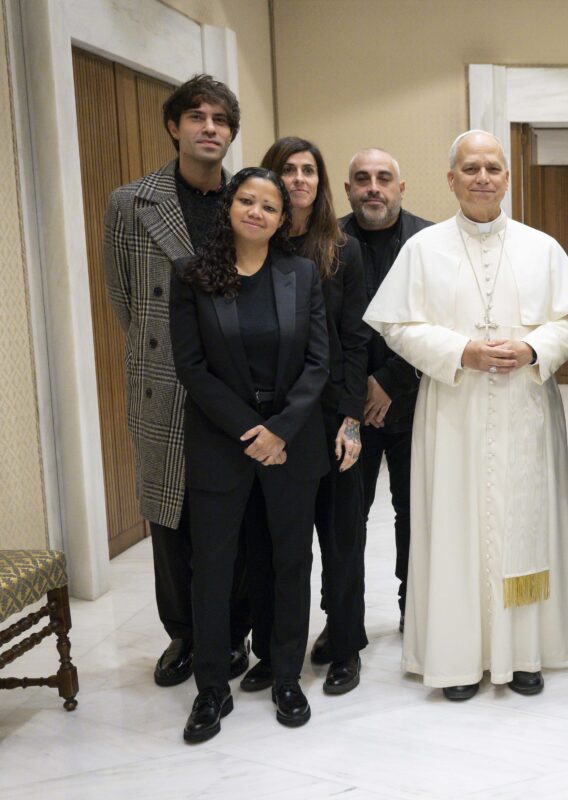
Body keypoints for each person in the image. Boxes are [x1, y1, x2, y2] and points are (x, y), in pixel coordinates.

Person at [363, 130, 568, 701]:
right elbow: (396, 325)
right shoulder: (422, 249)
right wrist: (459, 351)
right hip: (455, 410)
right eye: (470, 168)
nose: (482, 177)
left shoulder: (543, 248)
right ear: (451, 179)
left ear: (507, 177)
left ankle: (526, 652)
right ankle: (457, 658)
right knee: (455, 527)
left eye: (492, 167)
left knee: (524, 525)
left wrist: (535, 349)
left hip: (524, 410)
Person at [169, 167, 329, 742]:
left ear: (283, 219)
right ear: (229, 207)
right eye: (247, 201)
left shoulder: (301, 274)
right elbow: (192, 368)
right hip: (221, 440)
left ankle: (287, 674)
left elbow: (318, 364)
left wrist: (279, 430)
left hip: (291, 443)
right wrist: (250, 431)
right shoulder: (192, 274)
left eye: (269, 206)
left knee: (290, 560)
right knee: (212, 566)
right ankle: (211, 687)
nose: (257, 212)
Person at [102, 74, 250, 687]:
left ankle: (234, 634)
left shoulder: (247, 200)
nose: (209, 128)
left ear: (231, 134)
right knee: (171, 516)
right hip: (163, 380)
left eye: (220, 119)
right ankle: (185, 635)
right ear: (175, 127)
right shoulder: (130, 203)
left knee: (239, 517)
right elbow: (122, 299)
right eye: (197, 117)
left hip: (236, 382)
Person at [253, 137, 371, 695]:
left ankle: (345, 646)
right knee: (279, 544)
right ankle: (278, 651)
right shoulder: (253, 245)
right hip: (275, 423)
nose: (299, 179)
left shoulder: (341, 249)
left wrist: (351, 421)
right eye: (288, 170)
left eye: (308, 171)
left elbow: (355, 341)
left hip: (330, 418)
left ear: (321, 183)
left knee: (342, 537)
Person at [339, 148, 433, 634]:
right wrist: (361, 391)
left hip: (416, 402)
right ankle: (345, 625)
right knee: (345, 522)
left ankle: (412, 612)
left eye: (383, 178)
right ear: (348, 189)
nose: (372, 187)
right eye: (362, 179)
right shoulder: (327, 241)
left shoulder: (431, 241)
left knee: (414, 514)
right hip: (346, 413)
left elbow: (439, 321)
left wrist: (389, 383)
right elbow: (321, 329)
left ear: (401, 187)